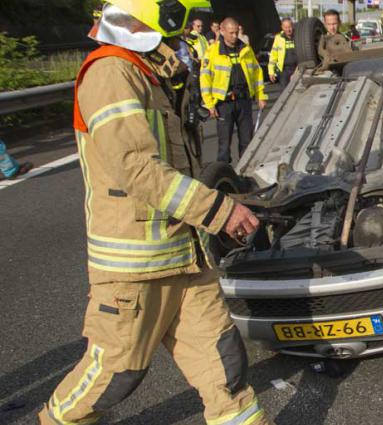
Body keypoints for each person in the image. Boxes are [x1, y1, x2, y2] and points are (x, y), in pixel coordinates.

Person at [39, 1, 270, 423]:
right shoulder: (111, 73)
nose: (187, 34)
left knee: (227, 373)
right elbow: (136, 167)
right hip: (134, 268)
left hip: (185, 257)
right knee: (113, 377)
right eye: (182, 23)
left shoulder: (150, 73)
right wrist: (219, 211)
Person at [201, 17, 267, 164]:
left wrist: (260, 95)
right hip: (224, 105)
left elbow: (257, 73)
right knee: (224, 145)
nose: (235, 36)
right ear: (222, 31)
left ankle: (246, 174)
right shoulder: (212, 52)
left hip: (244, 102)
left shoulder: (246, 50)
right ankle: (225, 175)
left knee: (247, 142)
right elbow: (205, 79)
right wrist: (209, 104)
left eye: (237, 32)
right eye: (231, 33)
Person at [269, 17, 297, 86]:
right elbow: (273, 56)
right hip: (284, 71)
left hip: (297, 70)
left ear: (292, 26)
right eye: (286, 27)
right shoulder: (278, 38)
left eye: (289, 27)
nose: (288, 29)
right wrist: (271, 71)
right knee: (285, 93)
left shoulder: (298, 36)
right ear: (282, 27)